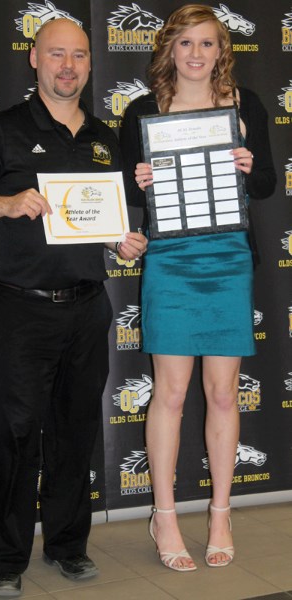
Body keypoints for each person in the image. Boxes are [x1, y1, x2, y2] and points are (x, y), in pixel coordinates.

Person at [0, 18, 147, 598]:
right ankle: (5, 560)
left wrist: (124, 240)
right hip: (19, 309)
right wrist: (3, 205)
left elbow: (111, 220)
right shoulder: (2, 129)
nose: (68, 66)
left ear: (88, 63)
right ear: (34, 59)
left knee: (75, 434)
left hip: (87, 308)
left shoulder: (105, 138)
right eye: (56, 54)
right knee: (14, 434)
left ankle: (68, 546)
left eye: (79, 55)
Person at [120, 4, 276, 572]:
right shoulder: (142, 111)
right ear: (169, 49)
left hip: (229, 258)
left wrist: (246, 162)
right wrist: (138, 181)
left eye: (206, 44)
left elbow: (267, 184)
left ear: (221, 51)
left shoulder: (245, 106)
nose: (195, 54)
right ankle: (164, 515)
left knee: (221, 393)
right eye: (185, 43)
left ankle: (219, 513)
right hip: (170, 259)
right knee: (171, 392)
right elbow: (126, 197)